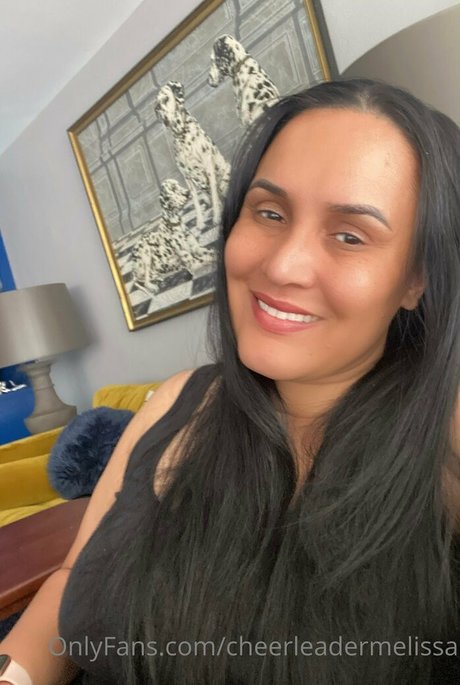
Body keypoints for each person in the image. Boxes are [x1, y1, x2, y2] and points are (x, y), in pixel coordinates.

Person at [1, 77, 460, 685]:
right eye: (269, 213)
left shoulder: (444, 441)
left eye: (350, 236)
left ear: (416, 280)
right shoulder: (179, 400)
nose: (282, 264)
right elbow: (71, 579)